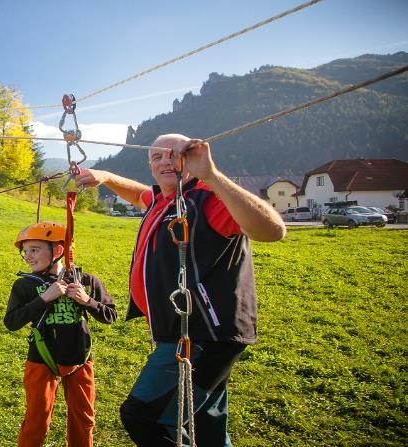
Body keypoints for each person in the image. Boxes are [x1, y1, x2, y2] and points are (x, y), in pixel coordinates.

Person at [75, 134, 286, 446]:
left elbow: (272, 230)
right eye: (156, 157)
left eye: (173, 155)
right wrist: (106, 177)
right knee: (205, 421)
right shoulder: (163, 200)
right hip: (183, 331)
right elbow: (138, 195)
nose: (164, 162)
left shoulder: (208, 199)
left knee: (144, 417)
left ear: (191, 157)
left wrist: (211, 175)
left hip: (200, 335)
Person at [4, 221, 117, 447]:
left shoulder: (86, 281)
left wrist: (87, 301)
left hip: (80, 359)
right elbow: (12, 322)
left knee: (83, 417)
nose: (27, 256)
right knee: (37, 417)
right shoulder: (24, 285)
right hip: (41, 358)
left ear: (58, 251)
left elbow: (110, 316)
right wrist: (44, 298)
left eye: (34, 250)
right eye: (24, 251)